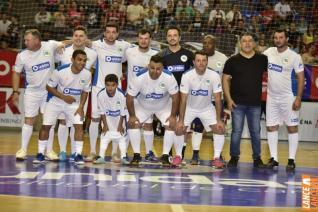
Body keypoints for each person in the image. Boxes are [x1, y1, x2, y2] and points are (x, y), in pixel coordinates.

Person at [12, 29, 63, 161]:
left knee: (49, 122)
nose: (25, 42)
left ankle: (49, 151)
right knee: (29, 120)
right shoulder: (22, 55)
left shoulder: (49, 45)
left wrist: (61, 46)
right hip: (32, 92)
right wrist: (15, 91)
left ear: (36, 40)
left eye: (27, 40)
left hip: (49, 92)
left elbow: (63, 43)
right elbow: (16, 73)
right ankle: (23, 150)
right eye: (25, 40)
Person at [33, 49, 91, 165]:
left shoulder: (87, 74)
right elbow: (49, 87)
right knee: (46, 126)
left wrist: (81, 107)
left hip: (74, 104)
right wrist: (64, 97)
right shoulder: (60, 71)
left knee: (79, 127)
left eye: (84, 61)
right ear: (72, 60)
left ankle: (78, 154)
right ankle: (40, 154)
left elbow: (85, 92)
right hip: (56, 101)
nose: (82, 63)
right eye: (79, 60)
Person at [222, 32, 267, 168]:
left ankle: (257, 158)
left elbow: (272, 77)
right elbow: (225, 79)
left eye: (249, 41)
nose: (247, 43)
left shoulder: (262, 59)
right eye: (244, 41)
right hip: (237, 103)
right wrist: (228, 99)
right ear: (239, 44)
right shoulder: (232, 61)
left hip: (255, 103)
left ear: (254, 43)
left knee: (256, 131)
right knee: (236, 132)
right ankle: (234, 157)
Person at [263, 29, 305, 171]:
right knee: (271, 127)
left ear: (286, 39)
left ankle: (291, 160)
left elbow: (301, 78)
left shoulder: (294, 56)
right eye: (276, 37)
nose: (278, 40)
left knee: (292, 128)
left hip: (289, 97)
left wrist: (298, 97)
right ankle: (274, 159)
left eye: (281, 37)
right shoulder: (268, 52)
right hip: (272, 97)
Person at [54, 25, 97, 162]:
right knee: (62, 122)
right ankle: (61, 151)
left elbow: (93, 73)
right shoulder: (62, 51)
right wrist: (62, 43)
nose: (78, 38)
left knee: (77, 123)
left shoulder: (93, 54)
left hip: (80, 95)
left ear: (86, 38)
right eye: (76, 36)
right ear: (72, 37)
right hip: (62, 94)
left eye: (81, 36)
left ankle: (74, 152)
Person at [126, 55, 179, 166]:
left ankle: (165, 156)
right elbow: (130, 97)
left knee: (171, 124)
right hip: (143, 106)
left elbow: (175, 97)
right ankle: (136, 155)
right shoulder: (139, 76)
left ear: (163, 68)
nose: (155, 71)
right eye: (152, 68)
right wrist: (132, 115)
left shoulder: (169, 77)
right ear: (148, 66)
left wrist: (173, 116)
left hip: (163, 106)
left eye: (158, 69)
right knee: (133, 124)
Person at [176, 50, 225, 169]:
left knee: (219, 129)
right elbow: (182, 100)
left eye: (204, 60)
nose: (201, 63)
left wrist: (219, 120)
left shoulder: (213, 75)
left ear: (207, 62)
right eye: (198, 60)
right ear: (193, 62)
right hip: (190, 107)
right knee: (179, 129)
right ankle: (178, 156)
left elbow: (218, 100)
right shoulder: (187, 75)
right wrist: (181, 120)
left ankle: (216, 158)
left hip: (207, 108)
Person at [89, 22, 130, 162]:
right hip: (99, 87)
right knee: (95, 118)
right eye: (108, 32)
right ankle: (93, 151)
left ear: (117, 34)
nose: (111, 34)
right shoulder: (96, 45)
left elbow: (139, 51)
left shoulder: (123, 46)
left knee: (116, 118)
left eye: (114, 32)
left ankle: (114, 153)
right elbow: (81, 42)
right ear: (104, 33)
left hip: (117, 89)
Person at [190, 35, 228, 165]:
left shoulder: (222, 58)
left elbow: (226, 79)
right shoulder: (197, 58)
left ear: (215, 44)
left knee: (218, 127)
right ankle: (195, 155)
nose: (206, 45)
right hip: (199, 99)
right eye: (204, 43)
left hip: (216, 99)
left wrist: (226, 100)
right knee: (198, 127)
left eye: (209, 43)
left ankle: (218, 156)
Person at [158, 26, 194, 165]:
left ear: (179, 37)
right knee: (170, 125)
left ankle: (180, 156)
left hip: (185, 97)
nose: (172, 38)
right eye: (169, 35)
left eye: (175, 35)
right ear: (167, 38)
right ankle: (169, 156)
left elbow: (196, 72)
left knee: (183, 126)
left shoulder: (189, 54)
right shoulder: (161, 55)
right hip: (168, 97)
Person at [125, 29, 159, 162]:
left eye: (146, 38)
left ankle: (149, 153)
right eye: (141, 38)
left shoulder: (156, 54)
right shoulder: (129, 52)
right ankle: (133, 153)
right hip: (132, 96)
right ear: (137, 39)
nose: (143, 41)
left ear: (150, 39)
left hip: (148, 97)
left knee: (148, 125)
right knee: (132, 124)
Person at [93, 74, 128, 165]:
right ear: (104, 85)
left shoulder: (121, 95)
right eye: (108, 85)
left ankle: (123, 156)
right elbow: (102, 112)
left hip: (118, 122)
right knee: (104, 137)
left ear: (117, 85)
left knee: (121, 139)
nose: (110, 88)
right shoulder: (100, 95)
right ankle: (101, 157)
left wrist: (120, 125)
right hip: (107, 122)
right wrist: (105, 125)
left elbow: (122, 113)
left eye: (113, 85)